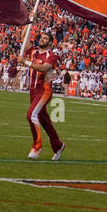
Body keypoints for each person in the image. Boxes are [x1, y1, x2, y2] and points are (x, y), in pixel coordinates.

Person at [18, 31, 65, 160]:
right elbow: (24, 37)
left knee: (31, 115)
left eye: (45, 38)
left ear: (50, 43)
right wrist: (29, 21)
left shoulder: (52, 56)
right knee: (45, 122)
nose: (42, 39)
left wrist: (25, 62)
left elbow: (43, 68)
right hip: (33, 90)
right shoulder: (33, 51)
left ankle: (36, 146)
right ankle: (58, 146)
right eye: (42, 37)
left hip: (44, 90)